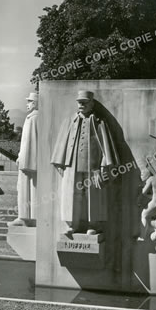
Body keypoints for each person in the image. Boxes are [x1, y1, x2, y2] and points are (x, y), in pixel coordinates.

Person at [51, 90, 120, 236]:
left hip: (92, 166)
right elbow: (62, 145)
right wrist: (61, 163)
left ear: (91, 104)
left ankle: (93, 225)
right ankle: (72, 225)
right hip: (72, 166)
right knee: (72, 195)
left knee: (93, 195)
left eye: (84, 102)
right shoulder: (70, 120)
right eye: (79, 102)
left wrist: (103, 166)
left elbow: (106, 146)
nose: (81, 104)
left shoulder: (99, 122)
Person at [8, 93, 39, 226]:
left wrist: (26, 159)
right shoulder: (31, 117)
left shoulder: (35, 118)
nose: (27, 104)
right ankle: (24, 217)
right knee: (23, 188)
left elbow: (34, 142)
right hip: (26, 160)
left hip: (30, 162)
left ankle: (27, 218)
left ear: (36, 103)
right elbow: (25, 142)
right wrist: (21, 155)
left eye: (30, 101)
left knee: (28, 189)